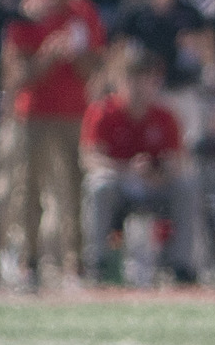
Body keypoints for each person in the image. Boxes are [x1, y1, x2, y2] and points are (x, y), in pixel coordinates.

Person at [0, 0, 103, 286]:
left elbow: (94, 68)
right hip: (33, 113)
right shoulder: (25, 14)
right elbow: (15, 76)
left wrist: (74, 53)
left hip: (75, 112)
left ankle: (76, 260)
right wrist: (47, 56)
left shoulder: (83, 13)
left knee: (75, 187)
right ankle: (27, 259)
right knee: (27, 188)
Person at [82, 49, 204, 281]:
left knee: (186, 185)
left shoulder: (165, 116)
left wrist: (160, 172)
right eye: (132, 78)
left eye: (146, 79)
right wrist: (127, 168)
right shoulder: (103, 113)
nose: (139, 86)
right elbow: (90, 158)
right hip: (119, 182)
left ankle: (182, 265)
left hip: (155, 184)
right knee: (98, 185)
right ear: (119, 80)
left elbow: (177, 161)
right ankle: (97, 263)